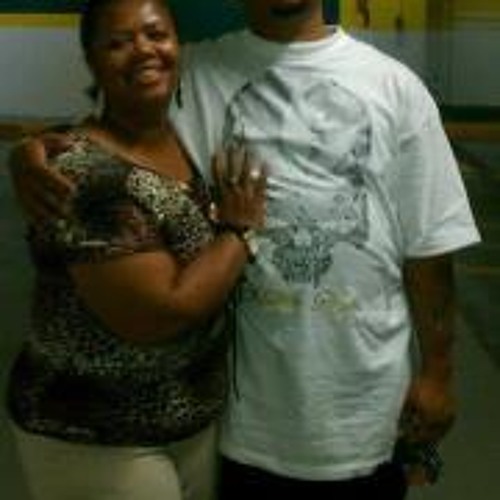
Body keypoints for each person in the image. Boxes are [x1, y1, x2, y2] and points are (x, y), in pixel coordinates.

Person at [9, 1, 481, 499]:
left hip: (365, 412)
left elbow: (429, 248)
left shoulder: (396, 88)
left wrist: (438, 373)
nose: (144, 48)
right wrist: (32, 152)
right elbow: (111, 128)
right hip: (242, 425)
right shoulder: (193, 72)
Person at [5, 1, 266, 500]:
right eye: (118, 42)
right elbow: (161, 314)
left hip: (189, 418)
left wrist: (27, 147)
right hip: (95, 435)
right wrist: (239, 231)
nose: (144, 50)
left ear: (178, 46)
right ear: (92, 61)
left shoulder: (180, 136)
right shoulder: (82, 173)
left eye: (156, 34)